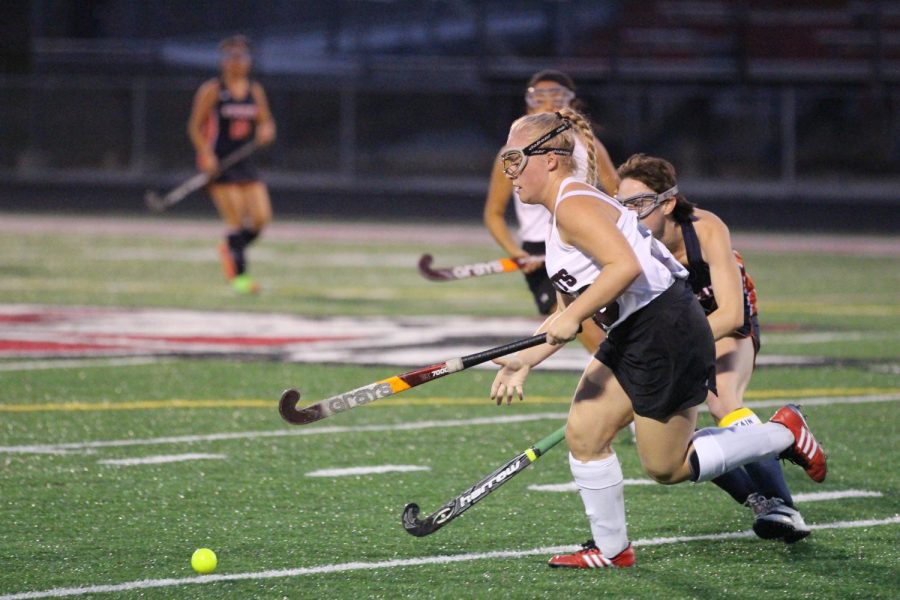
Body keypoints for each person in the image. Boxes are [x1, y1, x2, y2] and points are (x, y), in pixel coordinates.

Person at [489, 108, 827, 569]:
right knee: (585, 434)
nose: (508, 174)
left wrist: (573, 321)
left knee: (666, 467)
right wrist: (525, 359)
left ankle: (781, 432)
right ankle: (611, 550)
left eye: (514, 160)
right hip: (638, 329)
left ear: (548, 159)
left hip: (664, 328)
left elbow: (622, 268)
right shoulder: (564, 211)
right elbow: (567, 312)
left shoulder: (574, 204)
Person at [616, 153, 809, 542]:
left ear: (668, 203)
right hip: (675, 332)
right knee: (663, 437)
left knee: (721, 399)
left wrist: (672, 346)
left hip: (727, 324)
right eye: (622, 206)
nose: (628, 216)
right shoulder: (625, 238)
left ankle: (786, 505)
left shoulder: (705, 228)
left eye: (638, 205)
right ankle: (760, 501)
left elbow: (731, 313)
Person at [482, 70, 618, 352]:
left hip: (584, 241)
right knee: (579, 330)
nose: (547, 104)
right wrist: (517, 253)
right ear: (528, 105)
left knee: (597, 332)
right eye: (539, 98)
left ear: (571, 103)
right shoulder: (513, 152)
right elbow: (493, 213)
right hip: (538, 248)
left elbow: (617, 193)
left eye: (556, 97)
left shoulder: (587, 144)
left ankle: (631, 383)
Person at [187, 34, 276, 294]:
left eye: (242, 56)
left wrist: (266, 131)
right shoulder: (213, 90)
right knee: (235, 219)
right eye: (231, 56)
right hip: (220, 164)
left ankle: (231, 248)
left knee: (261, 218)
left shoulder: (254, 91)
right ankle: (241, 279)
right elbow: (194, 126)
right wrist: (206, 154)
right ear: (224, 61)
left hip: (245, 162)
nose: (237, 62)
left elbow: (266, 122)